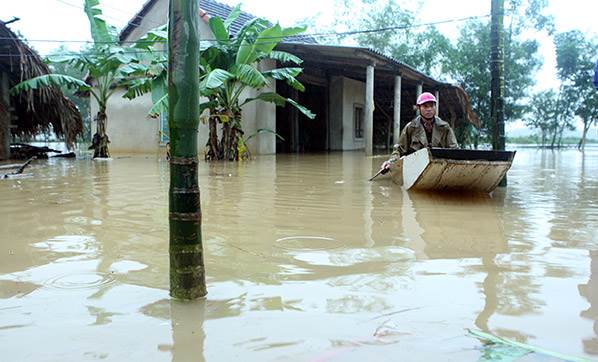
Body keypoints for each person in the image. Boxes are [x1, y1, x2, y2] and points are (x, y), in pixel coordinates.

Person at [381, 92, 458, 170]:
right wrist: (390, 162)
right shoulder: (410, 127)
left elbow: (454, 150)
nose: (429, 109)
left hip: (439, 165)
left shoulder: (445, 127)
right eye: (425, 106)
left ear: (435, 107)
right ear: (419, 107)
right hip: (416, 166)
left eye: (432, 106)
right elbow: (399, 149)